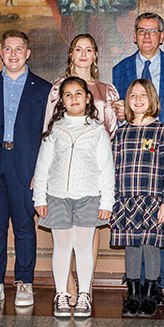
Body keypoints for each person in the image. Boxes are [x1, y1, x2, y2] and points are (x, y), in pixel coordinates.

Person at [0, 30, 51, 308]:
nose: (13, 54)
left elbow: (47, 133)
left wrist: (41, 172)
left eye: (19, 49)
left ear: (27, 54)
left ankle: (24, 283)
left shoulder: (43, 88)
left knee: (25, 227)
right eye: (8, 49)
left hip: (25, 166)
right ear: (1, 53)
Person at [112, 12, 164, 305]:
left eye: (153, 30)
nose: (147, 36)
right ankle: (135, 288)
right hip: (132, 167)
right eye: (141, 30)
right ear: (134, 36)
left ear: (162, 36)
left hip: (163, 159)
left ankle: (155, 287)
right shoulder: (120, 69)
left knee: (158, 228)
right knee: (134, 237)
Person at [43, 33, 119, 301]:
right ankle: (67, 286)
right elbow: (49, 127)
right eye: (78, 49)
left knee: (90, 231)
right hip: (63, 169)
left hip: (94, 168)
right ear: (71, 54)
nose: (83, 54)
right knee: (62, 232)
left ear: (95, 54)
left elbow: (112, 129)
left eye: (89, 49)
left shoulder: (107, 90)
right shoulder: (58, 88)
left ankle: (87, 286)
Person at [33, 76, 114, 318]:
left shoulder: (97, 130)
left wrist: (107, 202)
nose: (74, 98)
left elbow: (107, 169)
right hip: (58, 196)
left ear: (88, 98)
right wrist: (40, 197)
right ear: (62, 101)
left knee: (83, 248)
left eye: (78, 93)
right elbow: (43, 165)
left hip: (88, 196)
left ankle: (84, 295)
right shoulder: (55, 130)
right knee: (62, 247)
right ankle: (61, 294)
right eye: (68, 95)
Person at [110, 79, 164, 318]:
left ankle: (150, 293)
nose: (137, 100)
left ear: (152, 100)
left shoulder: (161, 131)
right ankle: (134, 294)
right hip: (126, 199)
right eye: (133, 95)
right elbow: (113, 167)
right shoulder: (121, 132)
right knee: (132, 246)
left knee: (150, 245)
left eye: (143, 95)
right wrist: (111, 199)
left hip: (153, 200)